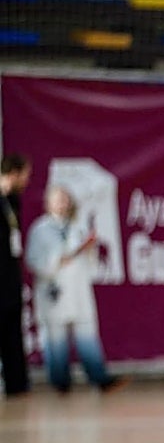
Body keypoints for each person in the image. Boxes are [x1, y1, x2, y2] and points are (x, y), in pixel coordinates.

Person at [24, 184, 127, 393]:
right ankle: (60, 382)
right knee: (56, 339)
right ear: (48, 203)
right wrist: (54, 261)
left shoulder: (77, 227)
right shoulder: (40, 229)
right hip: (54, 290)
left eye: (65, 199)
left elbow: (90, 260)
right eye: (57, 199)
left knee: (87, 334)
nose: (62, 203)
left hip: (78, 290)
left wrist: (89, 250)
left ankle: (99, 377)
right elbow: (32, 260)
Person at [0, 153, 32, 398]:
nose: (27, 180)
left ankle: (17, 384)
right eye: (25, 175)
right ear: (14, 172)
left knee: (13, 328)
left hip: (10, 274)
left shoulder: (13, 200)